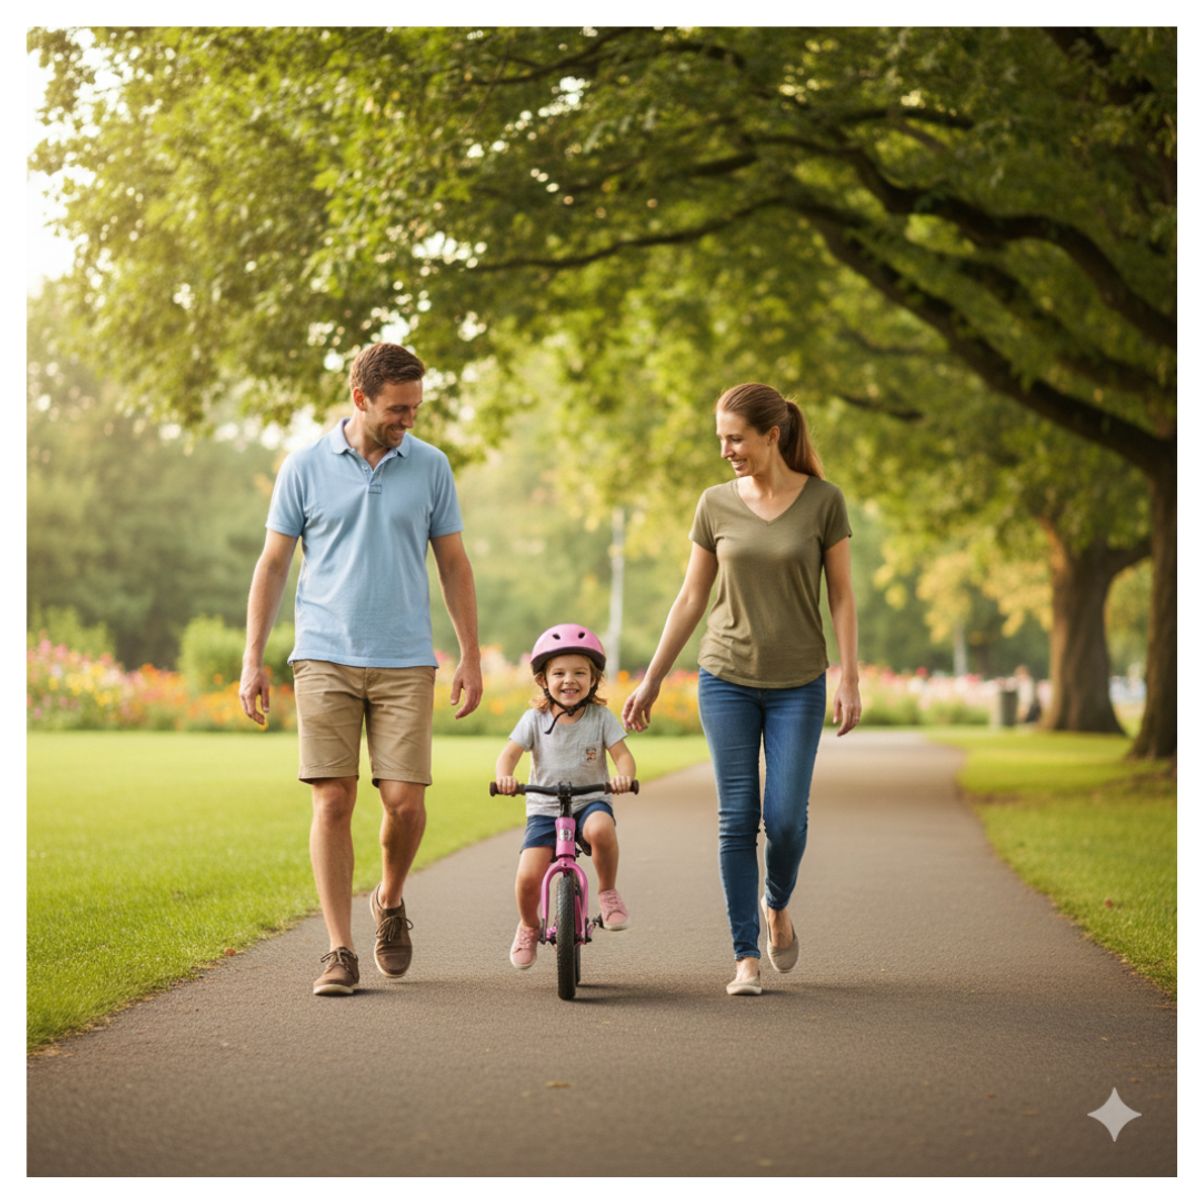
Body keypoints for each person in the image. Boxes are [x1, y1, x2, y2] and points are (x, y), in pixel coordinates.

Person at [239, 342, 483, 996]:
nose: (409, 419)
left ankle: (389, 901)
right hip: (324, 654)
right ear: (361, 399)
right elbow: (272, 565)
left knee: (404, 805)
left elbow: (454, 564)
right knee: (334, 798)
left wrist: (471, 655)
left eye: (416, 408)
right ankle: (339, 949)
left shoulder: (431, 467)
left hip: (405, 657)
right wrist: (252, 658)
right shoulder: (305, 467)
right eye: (398, 408)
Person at [622, 383, 861, 997]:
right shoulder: (714, 504)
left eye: (736, 438)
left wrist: (850, 676)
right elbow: (690, 598)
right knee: (736, 820)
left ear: (771, 435)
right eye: (720, 439)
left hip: (797, 683)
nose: (726, 449)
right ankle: (744, 957)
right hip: (724, 676)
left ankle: (776, 905)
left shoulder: (824, 503)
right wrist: (651, 678)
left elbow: (840, 596)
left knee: (784, 821)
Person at [495, 624, 637, 969]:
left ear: (594, 679)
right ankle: (529, 925)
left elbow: (622, 755)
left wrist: (624, 777)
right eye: (558, 673)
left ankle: (607, 892)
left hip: (590, 801)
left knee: (602, 829)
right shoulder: (535, 719)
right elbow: (509, 754)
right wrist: (505, 777)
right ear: (543, 679)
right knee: (528, 877)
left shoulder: (601, 718)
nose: (569, 680)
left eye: (579, 673)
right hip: (545, 809)